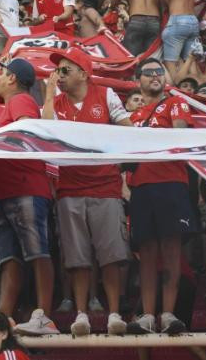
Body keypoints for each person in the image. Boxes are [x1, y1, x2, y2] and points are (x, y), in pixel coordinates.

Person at [41, 47, 132, 336]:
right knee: (77, 256)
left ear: (84, 73)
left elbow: (128, 128)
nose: (59, 75)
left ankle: (114, 312)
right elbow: (45, 133)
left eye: (65, 70)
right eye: (57, 70)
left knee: (111, 255)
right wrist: (48, 93)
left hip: (106, 186)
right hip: (69, 189)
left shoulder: (105, 95)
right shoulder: (55, 102)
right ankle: (81, 313)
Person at [126, 58, 196, 334]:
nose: (155, 75)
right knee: (146, 253)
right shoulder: (131, 118)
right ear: (138, 81)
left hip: (172, 184)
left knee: (170, 253)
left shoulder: (175, 103)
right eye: (148, 72)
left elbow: (180, 134)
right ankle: (146, 315)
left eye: (159, 71)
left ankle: (167, 312)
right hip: (141, 187)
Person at [0, 58, 57, 335]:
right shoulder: (13, 103)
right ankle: (3, 319)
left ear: (13, 79)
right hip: (10, 191)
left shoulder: (19, 101)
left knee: (37, 251)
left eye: (1, 73)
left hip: (24, 187)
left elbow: (25, 131)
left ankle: (44, 315)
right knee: (11, 259)